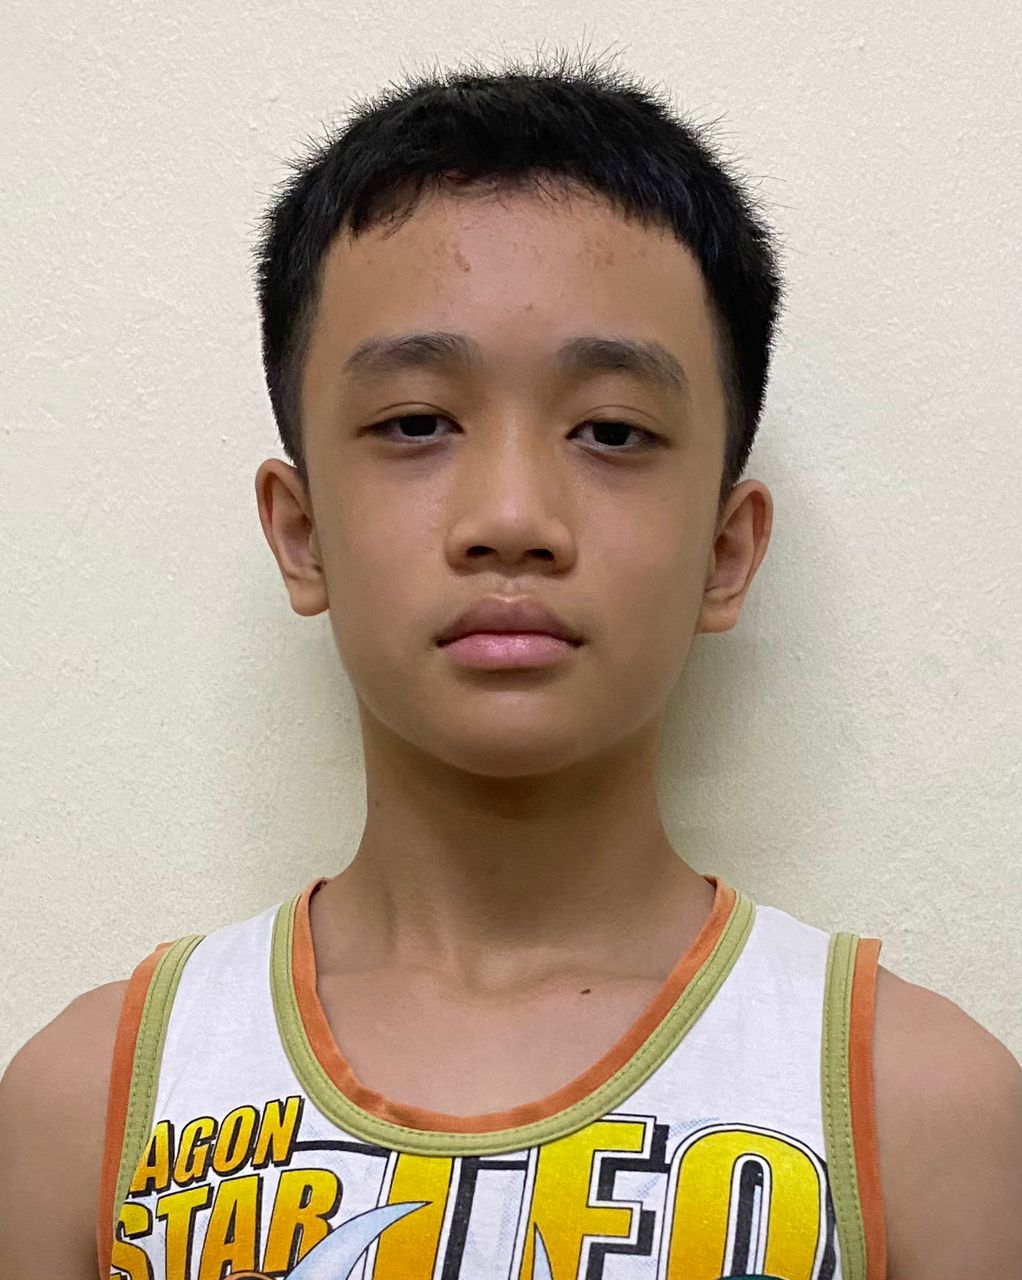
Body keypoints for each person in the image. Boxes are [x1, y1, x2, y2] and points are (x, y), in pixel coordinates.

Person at [1, 47, 1018, 1280]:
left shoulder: (912, 1110)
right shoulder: (92, 1107)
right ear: (301, 532)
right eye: (415, 422)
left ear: (724, 551)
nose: (511, 515)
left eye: (611, 430)